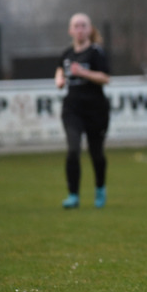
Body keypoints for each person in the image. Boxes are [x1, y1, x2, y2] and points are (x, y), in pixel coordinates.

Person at [54, 13, 111, 209]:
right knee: (73, 150)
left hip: (96, 110)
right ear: (70, 30)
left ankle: (100, 189)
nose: (79, 29)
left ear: (89, 29)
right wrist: (59, 80)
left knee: (96, 153)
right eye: (76, 26)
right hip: (72, 110)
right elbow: (60, 69)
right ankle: (73, 195)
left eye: (83, 26)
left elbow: (106, 78)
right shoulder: (67, 54)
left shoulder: (96, 52)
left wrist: (84, 73)